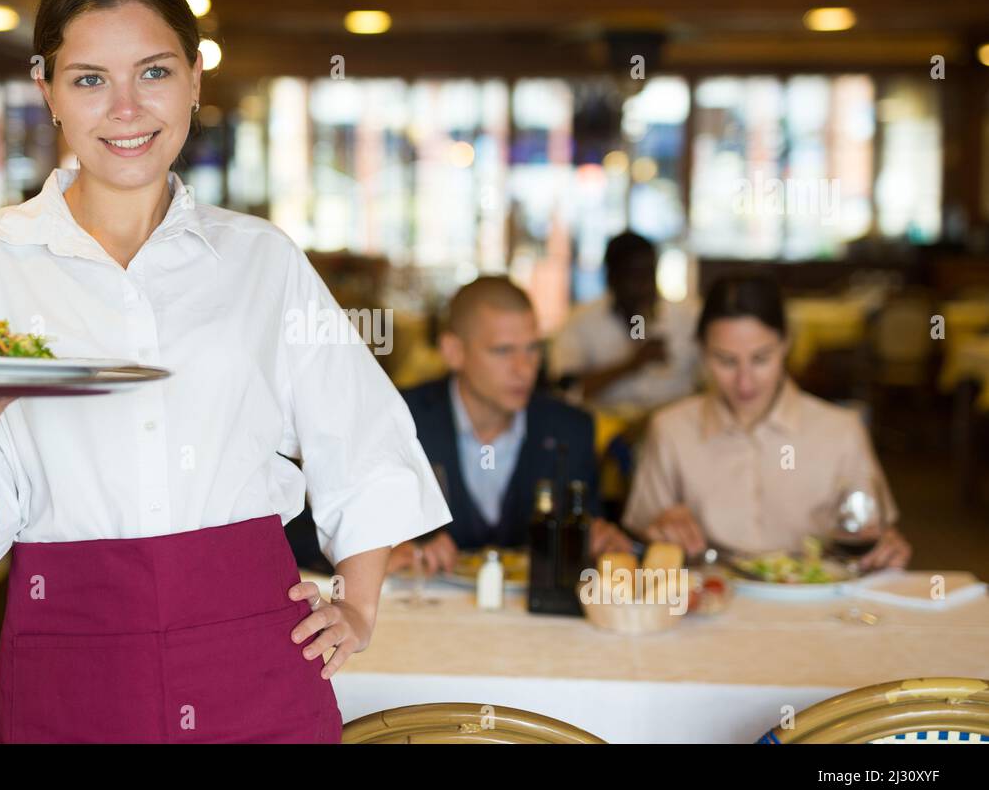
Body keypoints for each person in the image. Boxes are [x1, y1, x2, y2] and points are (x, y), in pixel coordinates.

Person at [0, 0, 449, 744]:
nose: (125, 108)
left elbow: (362, 436)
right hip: (66, 646)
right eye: (88, 79)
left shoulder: (261, 259)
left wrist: (358, 600)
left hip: (257, 647)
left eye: (153, 72)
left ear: (194, 80)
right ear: (46, 90)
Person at [622, 275, 912, 569]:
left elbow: (872, 533)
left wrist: (885, 548)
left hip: (814, 604)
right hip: (708, 602)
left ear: (786, 344)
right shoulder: (670, 428)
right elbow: (640, 542)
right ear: (701, 350)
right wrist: (659, 530)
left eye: (761, 359)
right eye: (725, 360)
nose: (745, 382)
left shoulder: (841, 430)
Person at [388, 277, 634, 575]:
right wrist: (384, 554)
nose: (524, 369)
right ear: (454, 351)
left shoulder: (570, 429)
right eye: (503, 351)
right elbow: (326, 535)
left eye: (532, 349)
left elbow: (590, 537)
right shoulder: (398, 420)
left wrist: (601, 544)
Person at [549, 231, 700, 416]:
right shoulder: (581, 322)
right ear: (612, 278)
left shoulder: (686, 318)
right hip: (607, 433)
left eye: (649, 274)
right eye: (635, 277)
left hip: (673, 429)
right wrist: (632, 364)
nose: (645, 286)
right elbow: (566, 391)